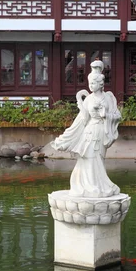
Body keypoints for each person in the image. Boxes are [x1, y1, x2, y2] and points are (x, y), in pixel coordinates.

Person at [52, 60, 121, 198]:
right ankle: (85, 186)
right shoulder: (88, 99)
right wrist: (80, 102)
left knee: (98, 158)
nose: (90, 86)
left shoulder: (108, 98)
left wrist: (105, 114)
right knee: (86, 157)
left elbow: (117, 116)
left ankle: (99, 186)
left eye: (93, 83)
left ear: (100, 84)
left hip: (101, 131)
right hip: (89, 131)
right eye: (89, 84)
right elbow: (83, 118)